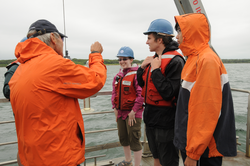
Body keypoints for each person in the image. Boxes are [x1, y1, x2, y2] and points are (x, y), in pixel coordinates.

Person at [9, 19, 107, 166]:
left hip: (31, 157)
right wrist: (96, 54)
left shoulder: (20, 70)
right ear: (53, 39)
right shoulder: (54, 65)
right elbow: (95, 80)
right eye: (61, 38)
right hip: (57, 157)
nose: (62, 42)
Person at [173, 13, 237, 166]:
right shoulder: (193, 59)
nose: (177, 37)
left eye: (180, 31)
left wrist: (194, 154)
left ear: (191, 32)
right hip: (192, 141)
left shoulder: (206, 60)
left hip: (204, 148)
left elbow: (206, 111)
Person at [137, 19, 185, 166]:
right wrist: (141, 68)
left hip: (166, 120)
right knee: (156, 156)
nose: (147, 42)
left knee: (168, 159)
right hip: (151, 117)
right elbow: (142, 84)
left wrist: (156, 70)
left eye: (149, 38)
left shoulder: (176, 61)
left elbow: (169, 93)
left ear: (160, 39)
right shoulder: (155, 59)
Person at [111, 46, 144, 166]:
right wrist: (114, 108)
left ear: (131, 59)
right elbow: (114, 93)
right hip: (120, 113)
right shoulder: (118, 76)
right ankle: (128, 160)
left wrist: (133, 111)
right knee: (123, 138)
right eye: (120, 59)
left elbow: (141, 95)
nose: (122, 62)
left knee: (134, 140)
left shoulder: (136, 74)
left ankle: (137, 164)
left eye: (124, 59)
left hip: (133, 114)